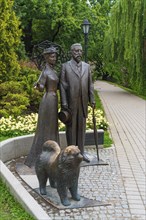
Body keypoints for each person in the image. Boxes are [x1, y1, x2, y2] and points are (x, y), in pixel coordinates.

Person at [59, 43, 95, 163]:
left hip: (83, 103)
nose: (79, 53)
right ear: (71, 52)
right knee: (71, 128)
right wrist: (64, 103)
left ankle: (81, 152)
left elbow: (90, 84)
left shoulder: (86, 66)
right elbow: (62, 86)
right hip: (70, 104)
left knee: (81, 128)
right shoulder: (65, 66)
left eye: (80, 51)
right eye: (76, 51)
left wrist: (92, 99)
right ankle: (71, 153)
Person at [25, 46, 59, 167]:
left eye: (55, 56)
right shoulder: (45, 72)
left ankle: (53, 154)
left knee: (53, 127)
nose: (54, 58)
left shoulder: (53, 71)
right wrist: (37, 84)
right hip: (48, 100)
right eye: (52, 56)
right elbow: (40, 89)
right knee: (46, 127)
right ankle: (42, 156)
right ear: (46, 57)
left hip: (54, 99)